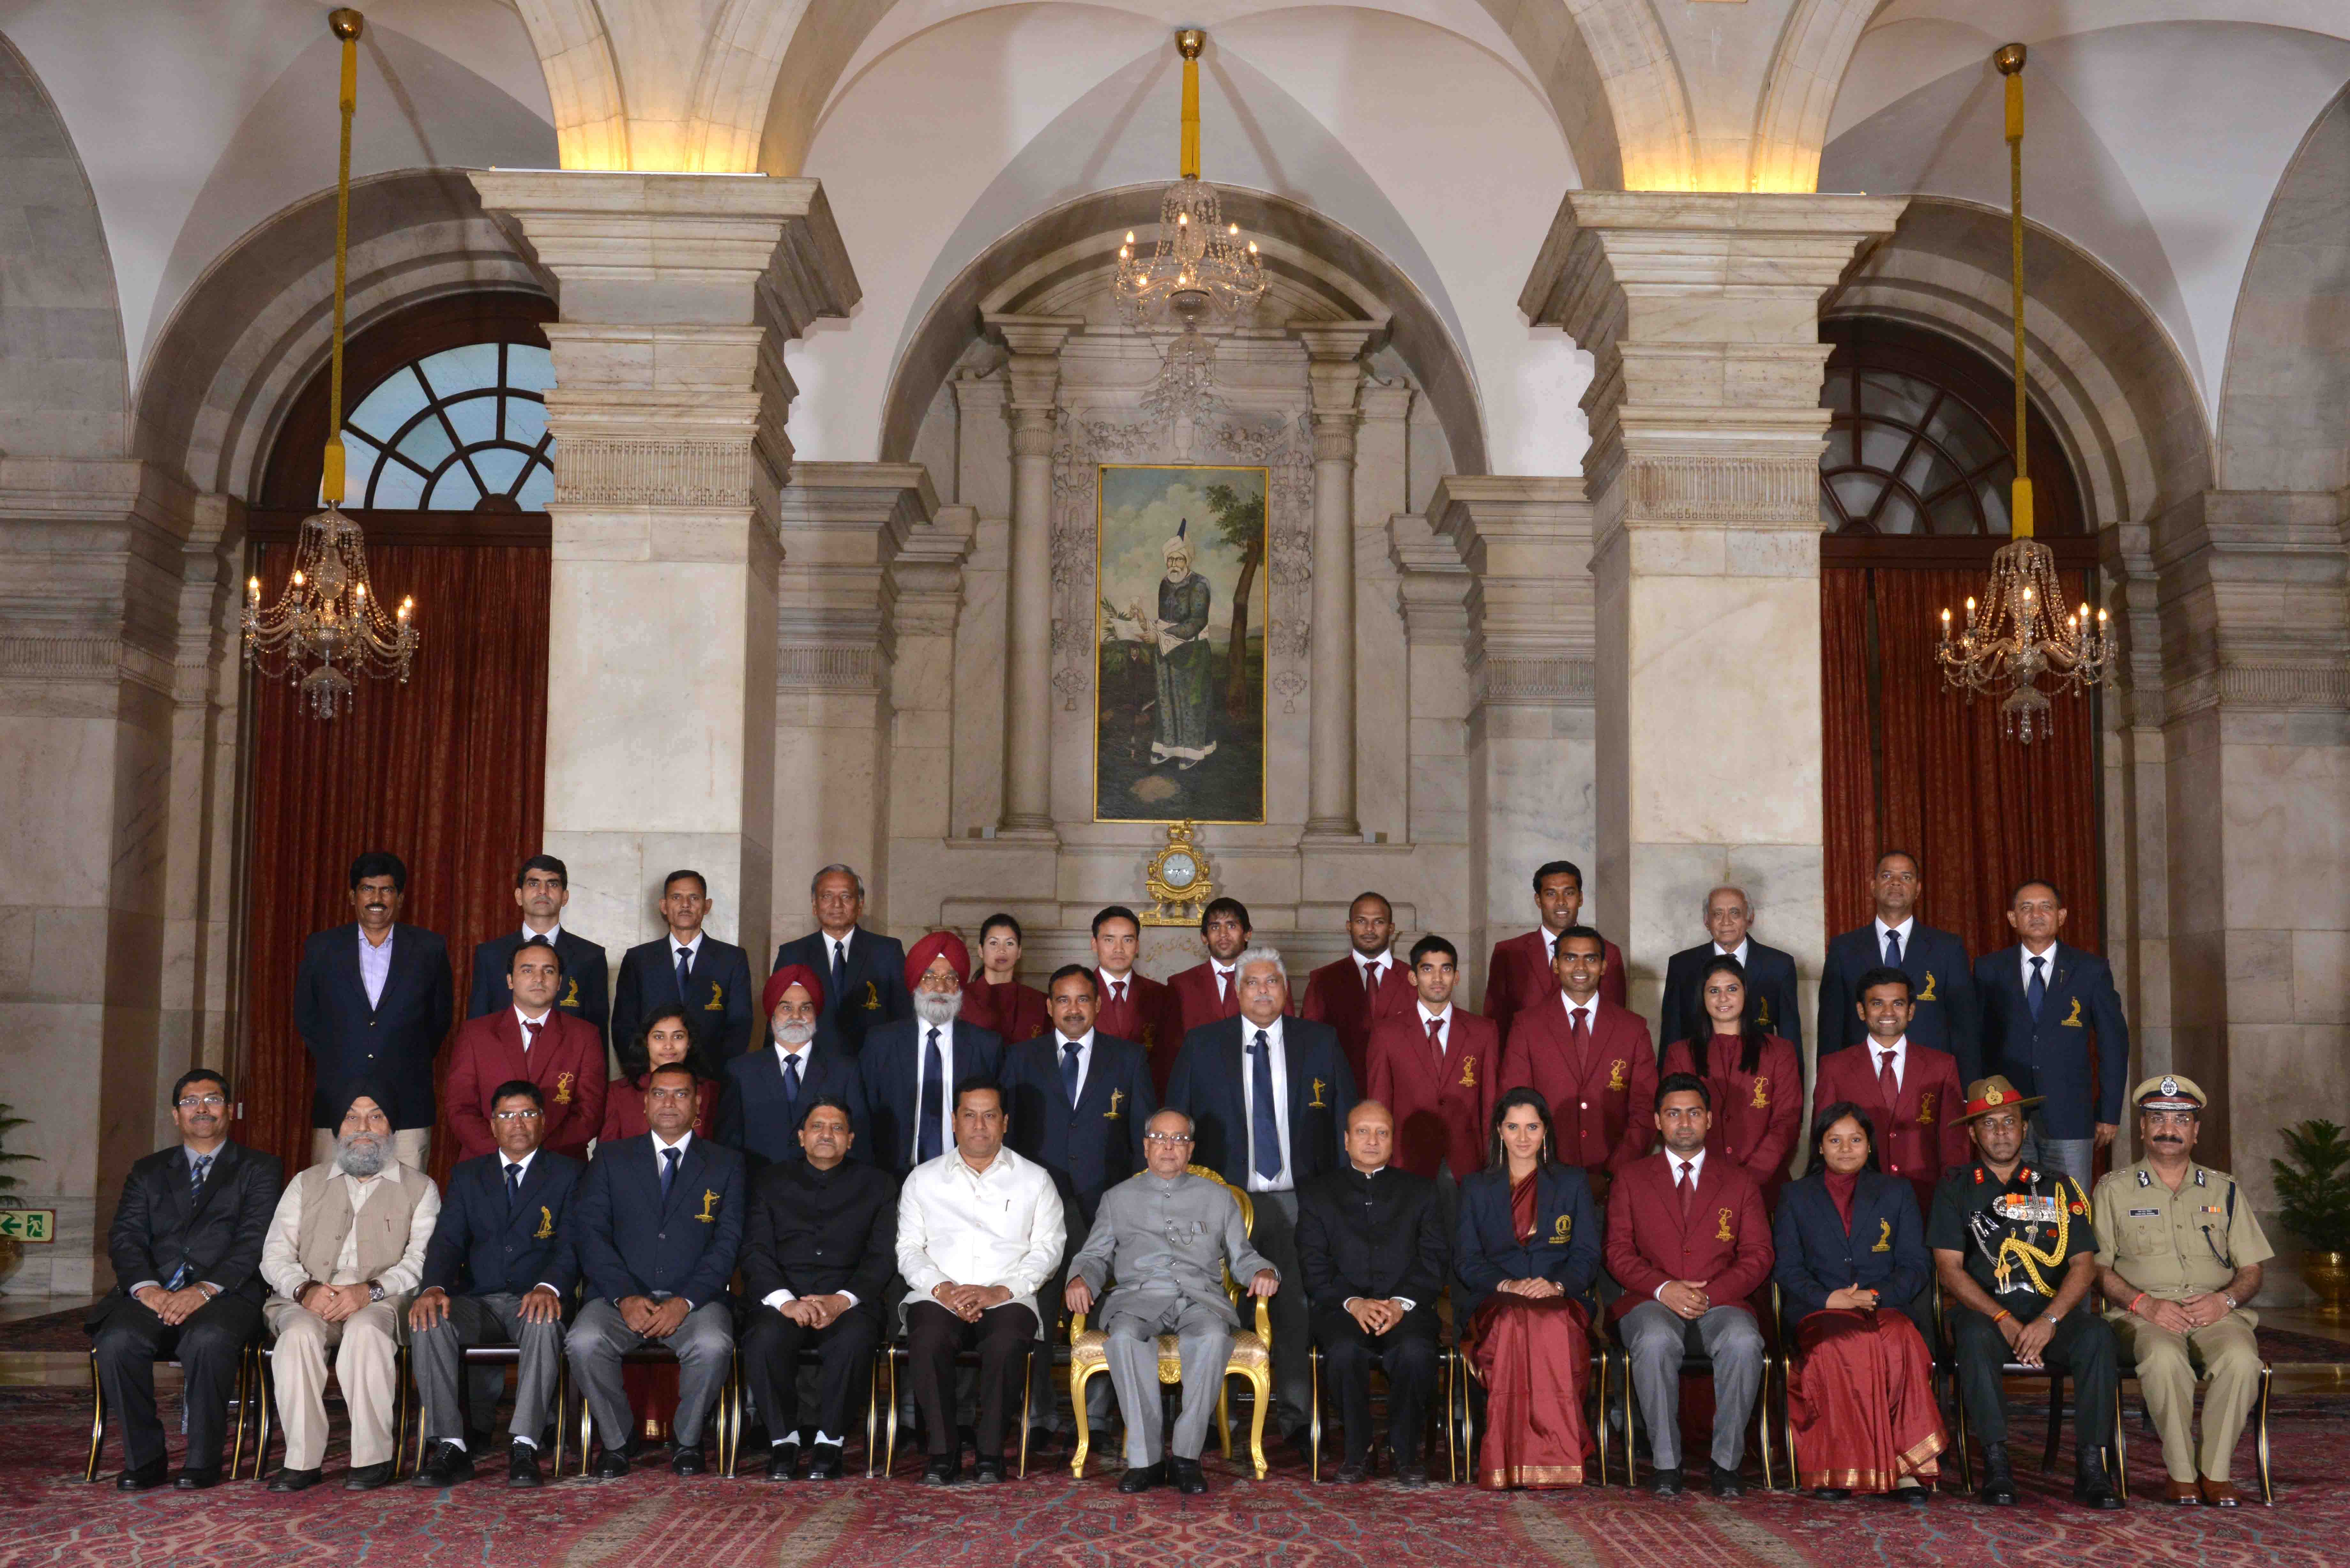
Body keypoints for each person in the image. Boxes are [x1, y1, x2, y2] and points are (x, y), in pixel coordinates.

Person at [1164, 946, 1355, 1447]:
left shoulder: (1321, 1042)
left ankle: (1294, 1417)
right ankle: (1205, 1419)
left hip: (1298, 1200)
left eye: (1273, 982)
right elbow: (1176, 1126)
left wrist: (1340, 1201)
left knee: (1294, 1307)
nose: (1264, 991)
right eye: (1253, 983)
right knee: (1210, 1306)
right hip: (1219, 1200)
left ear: (1285, 990)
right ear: (1237, 990)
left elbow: (1342, 1125)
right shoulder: (1204, 1045)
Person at [1927, 1075, 2121, 1509]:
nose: (2001, 1133)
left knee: (2098, 1337)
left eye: (2009, 1122)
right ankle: (1997, 1464)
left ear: (2025, 1128)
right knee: (1973, 1337)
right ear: (1974, 1133)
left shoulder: (2058, 1188)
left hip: (2051, 1317)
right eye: (1989, 1124)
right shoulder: (1955, 1188)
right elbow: (1949, 1270)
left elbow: (2083, 1265)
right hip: (1986, 1317)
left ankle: (2092, 1465)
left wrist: (2049, 1321)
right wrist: (2005, 1320)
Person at [1065, 1109, 1278, 1496]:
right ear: (1146, 1146)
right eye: (1160, 1138)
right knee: (1125, 1339)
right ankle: (1145, 1461)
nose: (1169, 1146)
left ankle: (1186, 1457)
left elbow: (1242, 1255)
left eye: (1179, 1139)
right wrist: (1081, 1278)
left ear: (1191, 1148)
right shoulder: (1118, 1199)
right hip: (1137, 1298)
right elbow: (1095, 1256)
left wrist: (1264, 1272)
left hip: (1200, 1299)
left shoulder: (1217, 1197)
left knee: (1214, 1338)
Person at [86, 1069, 281, 1490]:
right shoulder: (148, 1170)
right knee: (116, 1342)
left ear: (229, 1111)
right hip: (154, 1294)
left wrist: (203, 1290)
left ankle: (202, 1460)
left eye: (212, 1100)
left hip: (226, 1295)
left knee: (207, 1340)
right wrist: (148, 1289)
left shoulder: (260, 1168)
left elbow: (254, 1242)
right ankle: (146, 1459)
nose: (202, 1109)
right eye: (191, 1102)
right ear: (176, 1115)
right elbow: (125, 1238)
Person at [2091, 1074, 2271, 1508]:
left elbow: (2251, 1269)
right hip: (2143, 1314)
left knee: (2243, 1360)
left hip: (2216, 1312)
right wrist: (2143, 1303)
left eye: (2180, 1119)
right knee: (2163, 1358)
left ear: (2195, 1131)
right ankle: (2181, 1474)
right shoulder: (2113, 1189)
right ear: (2141, 1128)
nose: (2168, 1128)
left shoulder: (2224, 1189)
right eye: (2157, 1118)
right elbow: (2096, 1268)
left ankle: (2216, 1473)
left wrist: (2224, 1300)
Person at [259, 1079, 442, 1492]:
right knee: (298, 1338)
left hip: (380, 1299)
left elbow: (421, 1261)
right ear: (337, 1131)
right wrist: (305, 1290)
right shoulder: (305, 1183)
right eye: (352, 1117)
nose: (363, 1127)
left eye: (375, 1117)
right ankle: (302, 1461)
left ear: (391, 1130)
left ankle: (372, 1458)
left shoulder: (421, 1189)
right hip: (307, 1296)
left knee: (366, 1335)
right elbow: (274, 1255)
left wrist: (370, 1291)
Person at [567, 1061, 747, 1478]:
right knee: (583, 1341)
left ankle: (686, 1440)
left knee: (715, 1345)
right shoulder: (611, 1158)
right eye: (659, 1094)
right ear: (645, 1104)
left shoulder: (726, 1164)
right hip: (619, 1300)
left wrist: (686, 1301)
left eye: (681, 1094)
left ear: (698, 1105)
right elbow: (590, 1235)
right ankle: (617, 1440)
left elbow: (728, 1244)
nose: (669, 1103)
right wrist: (624, 1296)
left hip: (696, 1301)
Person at [1605, 1073, 1773, 1498]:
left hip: (1723, 1300)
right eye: (1674, 1113)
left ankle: (1726, 1465)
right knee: (1656, 1341)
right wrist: (1665, 1289)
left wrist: (1710, 1295)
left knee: (1743, 1343)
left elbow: (1758, 1255)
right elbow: (1618, 1253)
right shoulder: (1631, 1177)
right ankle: (1666, 1466)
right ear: (1658, 1122)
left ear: (1710, 1120)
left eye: (1694, 1113)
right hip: (1651, 1300)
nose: (1684, 1122)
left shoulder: (1739, 1180)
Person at [408, 1081, 581, 1489]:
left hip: (535, 1298)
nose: (517, 1123)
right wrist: (433, 1287)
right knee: (428, 1319)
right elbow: (448, 1240)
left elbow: (575, 1243)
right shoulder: (468, 1176)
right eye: (507, 1115)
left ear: (543, 1119)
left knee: (543, 1321)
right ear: (492, 1124)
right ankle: (451, 1444)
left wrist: (550, 1286)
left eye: (527, 1113)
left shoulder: (569, 1173)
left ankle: (524, 1443)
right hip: (479, 1300)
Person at [1773, 1104, 1944, 1503]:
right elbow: (1786, 1266)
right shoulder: (1795, 1196)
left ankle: (1906, 1470)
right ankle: (1837, 1469)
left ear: (1870, 1146)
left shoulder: (1897, 1192)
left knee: (1900, 1338)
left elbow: (1915, 1265)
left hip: (1882, 1304)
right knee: (1842, 1345)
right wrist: (1828, 1297)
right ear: (1819, 1147)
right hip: (1819, 1309)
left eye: (1855, 1140)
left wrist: (1876, 1295)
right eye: (1835, 1140)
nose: (1845, 1149)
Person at [895, 1081, 1065, 1485]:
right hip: (938, 1296)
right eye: (969, 1115)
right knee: (928, 1338)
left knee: (1007, 1342)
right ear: (954, 1122)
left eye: (990, 1115)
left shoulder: (1035, 1180)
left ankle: (991, 1453)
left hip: (1008, 1296)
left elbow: (1048, 1249)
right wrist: (944, 1289)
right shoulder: (923, 1178)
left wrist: (1000, 1291)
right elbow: (908, 1249)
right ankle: (943, 1453)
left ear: (1004, 1123)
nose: (979, 1125)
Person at [739, 1097, 898, 1481]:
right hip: (783, 1298)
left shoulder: (878, 1184)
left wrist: (842, 1300)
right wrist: (787, 1302)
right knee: (763, 1340)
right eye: (817, 1126)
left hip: (849, 1299)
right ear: (801, 1136)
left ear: (851, 1139)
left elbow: (882, 1257)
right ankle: (783, 1441)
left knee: (856, 1338)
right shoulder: (769, 1181)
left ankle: (831, 1441)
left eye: (837, 1128)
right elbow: (755, 1250)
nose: (827, 1134)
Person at [1454, 1087, 1603, 1490]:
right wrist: (1508, 1284)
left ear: (1545, 1132)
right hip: (1495, 1298)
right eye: (1513, 1127)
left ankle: (1556, 1459)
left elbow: (1587, 1254)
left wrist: (1555, 1284)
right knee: (1512, 1321)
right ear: (1498, 1131)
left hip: (1560, 1296)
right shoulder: (1475, 1186)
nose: (1523, 1137)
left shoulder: (1571, 1182)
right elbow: (1467, 1261)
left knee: (1550, 1321)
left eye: (1532, 1127)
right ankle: (1507, 1459)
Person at [1296, 1101, 1448, 1485]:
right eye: (1362, 1132)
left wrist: (1399, 1304)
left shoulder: (1422, 1192)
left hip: (1407, 1309)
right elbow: (1314, 1266)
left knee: (1414, 1353)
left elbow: (1433, 1260)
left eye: (1382, 1132)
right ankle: (1358, 1449)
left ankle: (1404, 1450)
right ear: (1346, 1141)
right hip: (1342, 1309)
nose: (1372, 1140)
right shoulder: (1318, 1194)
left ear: (1393, 1142)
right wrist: (1355, 1303)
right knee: (1344, 1352)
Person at [292, 851, 452, 1168]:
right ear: (352, 896)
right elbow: (307, 1017)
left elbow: (440, 1019)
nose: (376, 898)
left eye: (387, 890)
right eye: (368, 889)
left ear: (400, 897)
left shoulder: (429, 948)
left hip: (408, 1100)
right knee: (334, 1201)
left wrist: (397, 1054)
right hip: (338, 1099)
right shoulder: (322, 948)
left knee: (406, 1200)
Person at [1971, 880, 2131, 1192]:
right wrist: (1978, 1109)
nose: (2036, 914)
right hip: (2005, 1114)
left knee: (2069, 1207)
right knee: (2012, 1206)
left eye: (2046, 906)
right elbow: (1973, 1041)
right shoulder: (1988, 969)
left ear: (2062, 916)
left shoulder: (2090, 970)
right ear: (2011, 918)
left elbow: (2114, 1043)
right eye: (2026, 907)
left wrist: (2109, 1113)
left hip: (2070, 1117)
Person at [1495, 926, 1655, 1200]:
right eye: (1570, 958)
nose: (1581, 967)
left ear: (1604, 966)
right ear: (1555, 965)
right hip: (1543, 1179)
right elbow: (1515, 1105)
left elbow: (1645, 1110)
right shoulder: (1527, 1025)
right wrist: (1547, 1170)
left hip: (1615, 1184)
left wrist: (1611, 1174)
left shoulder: (1633, 1028)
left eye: (1591, 959)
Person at [1810, 967, 1969, 1216]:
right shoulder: (1834, 1067)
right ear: (1862, 1011)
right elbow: (1822, 1138)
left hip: (1925, 1198)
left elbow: (1954, 1143)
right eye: (1877, 1003)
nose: (1888, 1013)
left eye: (1897, 1003)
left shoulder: (1942, 1065)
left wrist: (1953, 1199)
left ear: (1911, 1011)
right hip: (1855, 1200)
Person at [1365, 935, 1497, 1220]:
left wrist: (1492, 1163)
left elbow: (1490, 1103)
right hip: (1406, 1161)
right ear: (1413, 977)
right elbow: (1379, 1104)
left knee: (1463, 1246)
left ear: (1457, 977)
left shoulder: (1484, 1031)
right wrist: (1379, 1164)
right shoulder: (1387, 1033)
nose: (1438, 978)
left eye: (1446, 969)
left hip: (1467, 1163)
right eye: (1428, 969)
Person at [444, 938, 605, 1162]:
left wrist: (537, 1160)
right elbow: (460, 1108)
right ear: (510, 980)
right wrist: (504, 1157)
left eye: (548, 971)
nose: (539, 979)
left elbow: (589, 1114)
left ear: (560, 982)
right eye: (527, 970)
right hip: (486, 1163)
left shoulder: (585, 1036)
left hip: (559, 1166)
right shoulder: (475, 1034)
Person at [1658, 956, 1801, 1208]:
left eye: (1732, 989)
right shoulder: (1680, 1053)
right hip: (1699, 1185)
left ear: (1746, 993)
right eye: (1714, 990)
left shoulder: (1780, 1051)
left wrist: (1751, 1177)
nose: (1723, 998)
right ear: (1702, 998)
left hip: (1765, 1185)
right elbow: (1675, 1123)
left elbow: (1787, 1121)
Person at [860, 931, 1004, 1175]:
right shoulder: (881, 1043)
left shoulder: (987, 1046)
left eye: (951, 978)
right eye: (930, 978)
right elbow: (864, 1116)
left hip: (968, 1175)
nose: (941, 988)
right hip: (893, 1176)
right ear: (916, 983)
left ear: (960, 986)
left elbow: (999, 1121)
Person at [1818, 850, 1977, 1063]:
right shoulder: (1844, 948)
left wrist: (1967, 1090)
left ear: (1918, 889)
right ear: (1873, 886)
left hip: (1930, 1077)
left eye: (1906, 877)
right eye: (1887, 876)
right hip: (1860, 1074)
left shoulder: (1948, 948)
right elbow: (1831, 1026)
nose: (1896, 883)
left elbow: (1964, 1026)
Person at [719, 964, 866, 1168]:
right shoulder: (740, 1071)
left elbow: (858, 1143)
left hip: (827, 1191)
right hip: (759, 1188)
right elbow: (729, 1145)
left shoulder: (845, 1071)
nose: (797, 1016)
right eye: (787, 1008)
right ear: (772, 1016)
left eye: (805, 1008)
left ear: (816, 1015)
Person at [610, 869, 755, 1072]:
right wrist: (645, 1075)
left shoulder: (732, 959)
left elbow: (740, 1027)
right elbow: (624, 1027)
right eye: (676, 897)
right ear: (664, 906)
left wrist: (718, 1080)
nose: (685, 904)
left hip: (713, 1082)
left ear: (707, 906)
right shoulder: (639, 960)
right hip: (651, 1081)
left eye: (694, 897)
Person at [466, 854, 610, 1052]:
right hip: (502, 1069)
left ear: (565, 897)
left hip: (566, 1073)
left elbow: (597, 1033)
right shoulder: (490, 955)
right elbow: (478, 1026)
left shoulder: (590, 957)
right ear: (519, 896)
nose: (543, 891)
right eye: (534, 884)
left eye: (552, 884)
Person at [770, 864, 910, 1057]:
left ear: (860, 905)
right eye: (827, 896)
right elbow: (776, 1020)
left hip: (872, 1067)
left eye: (846, 896)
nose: (837, 905)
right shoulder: (792, 954)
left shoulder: (887, 952)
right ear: (814, 905)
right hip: (812, 1069)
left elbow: (904, 1017)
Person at [1482, 861, 1626, 1044]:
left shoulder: (1609, 953)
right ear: (1538, 900)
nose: (1561, 902)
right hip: (1525, 1067)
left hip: (1588, 1066)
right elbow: (1495, 1026)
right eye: (1551, 894)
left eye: (1569, 893)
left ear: (1581, 899)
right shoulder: (1508, 953)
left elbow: (1615, 1024)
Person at [1656, 886, 1804, 1059]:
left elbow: (1790, 1037)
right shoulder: (1682, 966)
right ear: (1706, 921)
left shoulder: (1779, 965)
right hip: (1698, 1071)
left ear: (1750, 918)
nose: (1726, 922)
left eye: (1735, 913)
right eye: (1718, 914)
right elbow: (1671, 1035)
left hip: (1761, 1074)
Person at [1299, 892, 1418, 1089]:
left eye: (1379, 922)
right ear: (1349, 926)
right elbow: (1310, 1045)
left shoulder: (1414, 980)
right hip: (1342, 1093)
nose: (1370, 929)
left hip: (1403, 1092)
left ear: (1391, 928)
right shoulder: (1323, 980)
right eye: (1361, 921)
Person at [1090, 905, 1183, 1092]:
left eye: (1128, 940)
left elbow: (1169, 1060)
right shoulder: (1077, 994)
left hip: (1146, 1101)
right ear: (1095, 944)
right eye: (1109, 940)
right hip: (1090, 1102)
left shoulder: (1161, 995)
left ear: (1138, 946)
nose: (1119, 949)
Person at [601, 1006, 720, 1142]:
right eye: (659, 1037)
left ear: (689, 1043)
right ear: (646, 1042)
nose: (668, 1046)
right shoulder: (618, 1093)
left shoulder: (711, 1091)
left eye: (678, 1037)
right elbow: (608, 1153)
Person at [1168, 896, 1254, 1039]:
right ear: (1204, 937)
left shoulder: (1273, 981)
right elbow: (1171, 1049)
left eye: (1231, 926)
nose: (1223, 934)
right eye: (1215, 927)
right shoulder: (1180, 986)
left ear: (1247, 933)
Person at [962, 912, 1049, 1044]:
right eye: (994, 943)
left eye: (1009, 943)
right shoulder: (961, 999)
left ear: (1019, 952)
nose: (1002, 950)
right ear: (981, 950)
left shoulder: (1039, 1002)